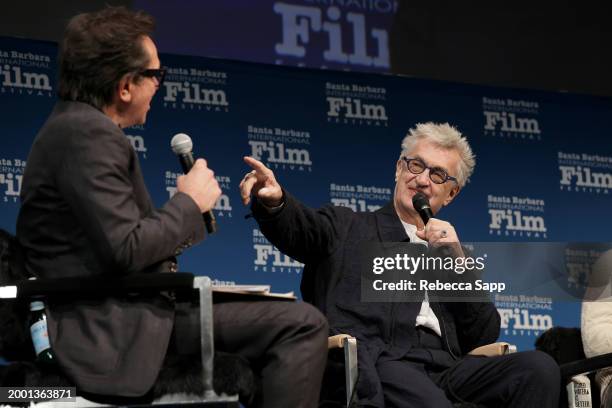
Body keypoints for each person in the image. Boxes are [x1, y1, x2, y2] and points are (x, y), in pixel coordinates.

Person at [16, 7, 327, 407]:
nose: (159, 85)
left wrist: (189, 210)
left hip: (126, 310)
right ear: (126, 86)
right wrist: (189, 202)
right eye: (155, 75)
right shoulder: (86, 134)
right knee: (301, 325)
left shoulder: (77, 128)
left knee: (281, 320)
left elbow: (122, 244)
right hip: (108, 326)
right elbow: (126, 250)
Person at [240, 122, 561, 407]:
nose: (421, 180)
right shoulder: (347, 226)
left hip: (446, 367)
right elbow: (301, 229)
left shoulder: (448, 249)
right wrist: (276, 200)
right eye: (415, 165)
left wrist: (459, 263)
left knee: (538, 369)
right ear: (398, 168)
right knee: (427, 400)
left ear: (451, 194)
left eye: (437, 175)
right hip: (380, 358)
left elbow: (482, 336)